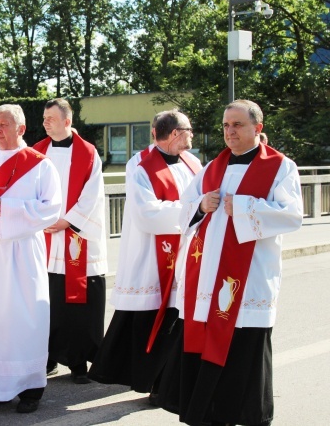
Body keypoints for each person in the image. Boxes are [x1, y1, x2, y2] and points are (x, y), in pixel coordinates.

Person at [158, 100, 303, 426]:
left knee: (245, 352)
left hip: (249, 278)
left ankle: (253, 417)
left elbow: (292, 215)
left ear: (257, 128)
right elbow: (185, 210)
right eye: (225, 125)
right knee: (209, 349)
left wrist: (244, 206)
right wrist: (200, 204)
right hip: (209, 278)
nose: (230, 131)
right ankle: (211, 414)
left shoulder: (281, 168)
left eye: (237, 125)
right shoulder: (212, 168)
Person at [89, 110, 202, 403]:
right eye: (189, 130)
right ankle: (149, 380)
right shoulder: (140, 165)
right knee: (150, 319)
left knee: (178, 319)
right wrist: (195, 210)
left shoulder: (193, 163)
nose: (193, 134)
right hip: (152, 259)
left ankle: (169, 381)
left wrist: (198, 209)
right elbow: (147, 214)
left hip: (186, 253)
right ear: (175, 133)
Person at [0, 104, 62, 414]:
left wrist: (7, 209)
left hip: (23, 252)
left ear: (21, 129)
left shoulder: (40, 166)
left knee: (24, 319)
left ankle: (30, 388)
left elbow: (52, 209)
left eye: (4, 125)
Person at [32, 98, 107, 384]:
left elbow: (93, 195)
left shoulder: (87, 153)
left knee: (75, 306)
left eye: (50, 117)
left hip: (74, 237)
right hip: (44, 239)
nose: (45, 122)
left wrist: (66, 221)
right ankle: (46, 358)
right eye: (43, 118)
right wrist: (40, 219)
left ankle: (77, 363)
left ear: (67, 120)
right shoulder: (35, 152)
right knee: (46, 302)